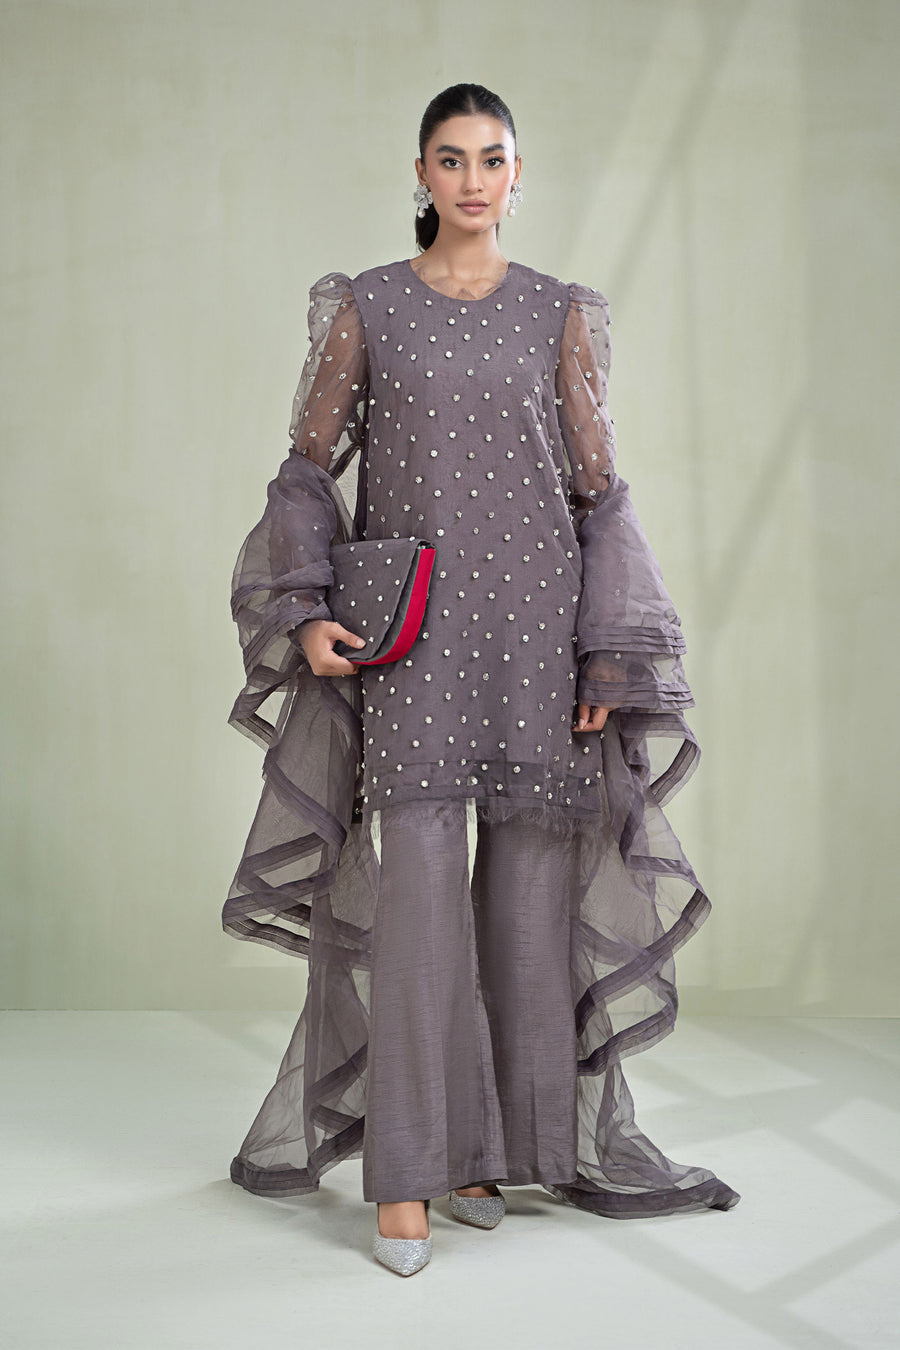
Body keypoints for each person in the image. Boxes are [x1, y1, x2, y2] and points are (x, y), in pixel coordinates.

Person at [222, 82, 740, 1277]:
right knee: (415, 899)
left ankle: (485, 1156)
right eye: (450, 159)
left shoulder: (560, 313)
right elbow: (306, 469)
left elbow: (599, 493)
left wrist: (607, 648)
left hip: (538, 630)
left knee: (525, 902)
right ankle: (406, 1176)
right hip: (414, 635)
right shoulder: (368, 307)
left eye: (491, 158)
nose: (471, 179)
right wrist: (305, 608)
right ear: (421, 174)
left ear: (518, 175)